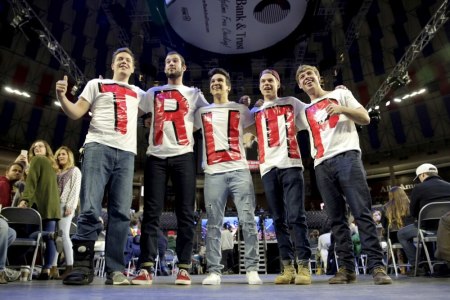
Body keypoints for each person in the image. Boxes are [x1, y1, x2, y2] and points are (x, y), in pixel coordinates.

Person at [55, 47, 144, 285]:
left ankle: (115, 269)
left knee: (121, 213)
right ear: (112, 65)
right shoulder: (96, 84)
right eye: (120, 59)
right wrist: (63, 98)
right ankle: (83, 267)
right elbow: (76, 113)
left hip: (126, 154)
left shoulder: (138, 93)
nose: (124, 62)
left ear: (133, 68)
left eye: (128, 60)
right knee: (90, 208)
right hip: (97, 147)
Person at [296, 64, 392, 285]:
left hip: (347, 156)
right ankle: (347, 268)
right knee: (336, 220)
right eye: (301, 76)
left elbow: (365, 117)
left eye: (309, 73)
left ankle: (376, 266)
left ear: (319, 77)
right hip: (321, 164)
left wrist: (341, 110)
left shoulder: (341, 93)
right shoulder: (303, 111)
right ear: (300, 84)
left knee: (362, 213)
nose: (306, 77)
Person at [132, 51, 209, 286]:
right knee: (151, 213)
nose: (171, 64)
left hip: (184, 155)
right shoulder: (152, 93)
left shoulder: (194, 93)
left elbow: (210, 116)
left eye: (175, 60)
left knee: (185, 213)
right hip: (155, 157)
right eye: (167, 61)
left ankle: (184, 267)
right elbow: (133, 110)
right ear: (164, 68)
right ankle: (146, 268)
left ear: (184, 67)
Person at [193, 67, 261, 285]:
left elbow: (255, 132)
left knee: (248, 220)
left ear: (228, 86)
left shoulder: (240, 108)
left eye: (220, 80)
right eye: (213, 80)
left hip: (239, 169)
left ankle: (252, 269)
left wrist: (259, 109)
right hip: (213, 173)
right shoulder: (201, 112)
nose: (216, 83)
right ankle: (214, 271)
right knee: (213, 223)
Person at [251, 69, 312, 285]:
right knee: (278, 219)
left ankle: (304, 266)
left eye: (271, 80)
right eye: (263, 81)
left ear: (278, 84)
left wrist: (335, 92)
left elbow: (315, 108)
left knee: (296, 216)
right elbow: (241, 129)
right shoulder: (255, 112)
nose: (267, 84)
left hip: (291, 164)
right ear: (259, 86)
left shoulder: (292, 102)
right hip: (267, 168)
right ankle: (288, 268)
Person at [18, 140, 61, 280]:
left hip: (39, 205)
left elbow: (31, 182)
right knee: (50, 239)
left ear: (46, 149)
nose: (36, 148)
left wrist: (25, 199)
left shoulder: (38, 159)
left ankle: (27, 269)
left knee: (30, 237)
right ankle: (46, 269)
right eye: (34, 147)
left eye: (40, 146)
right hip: (53, 206)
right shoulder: (53, 166)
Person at [397, 163, 450, 275]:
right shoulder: (449, 185)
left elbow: (413, 213)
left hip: (427, 228)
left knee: (401, 234)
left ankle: (418, 265)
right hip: (447, 228)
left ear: (423, 175)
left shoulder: (419, 188)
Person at [52, 146, 82, 279]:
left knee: (64, 235)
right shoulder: (56, 172)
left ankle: (70, 266)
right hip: (53, 205)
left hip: (66, 206)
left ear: (69, 156)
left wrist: (71, 205)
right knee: (55, 237)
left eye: (63, 154)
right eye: (58, 155)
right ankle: (53, 267)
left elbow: (75, 189)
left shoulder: (75, 170)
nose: (60, 157)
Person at [383, 186, 414, 274]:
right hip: (408, 236)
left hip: (392, 237)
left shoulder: (386, 207)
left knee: (396, 245)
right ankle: (407, 266)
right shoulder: (410, 205)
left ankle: (391, 265)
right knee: (407, 242)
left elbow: (384, 226)